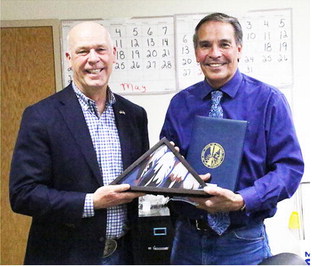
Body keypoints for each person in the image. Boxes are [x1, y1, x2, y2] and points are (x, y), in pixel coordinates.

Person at [160, 13, 304, 265]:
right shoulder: (180, 104)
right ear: (196, 52)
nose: (214, 53)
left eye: (224, 44)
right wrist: (169, 171)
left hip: (243, 242)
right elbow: (166, 169)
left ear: (238, 49)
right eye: (205, 45)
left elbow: (289, 169)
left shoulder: (268, 100)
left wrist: (243, 199)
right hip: (187, 242)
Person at [9, 21, 149, 265]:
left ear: (113, 55)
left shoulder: (134, 115)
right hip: (66, 257)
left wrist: (170, 171)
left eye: (101, 50)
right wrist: (91, 202)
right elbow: (23, 194)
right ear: (69, 58)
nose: (93, 59)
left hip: (125, 254)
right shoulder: (42, 116)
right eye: (83, 51)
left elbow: (140, 180)